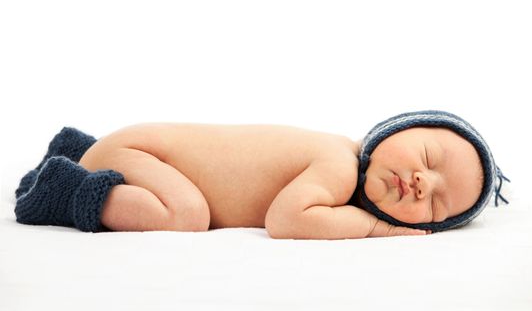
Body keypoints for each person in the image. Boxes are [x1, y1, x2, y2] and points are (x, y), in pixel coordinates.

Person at [13, 110, 509, 239]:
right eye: (428, 156)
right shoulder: (337, 164)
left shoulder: (338, 162)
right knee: (187, 215)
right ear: (395, 129)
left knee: (187, 210)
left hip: (139, 151)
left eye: (437, 205)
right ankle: (64, 190)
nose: (424, 182)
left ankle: (85, 159)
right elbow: (288, 220)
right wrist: (377, 228)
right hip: (143, 152)